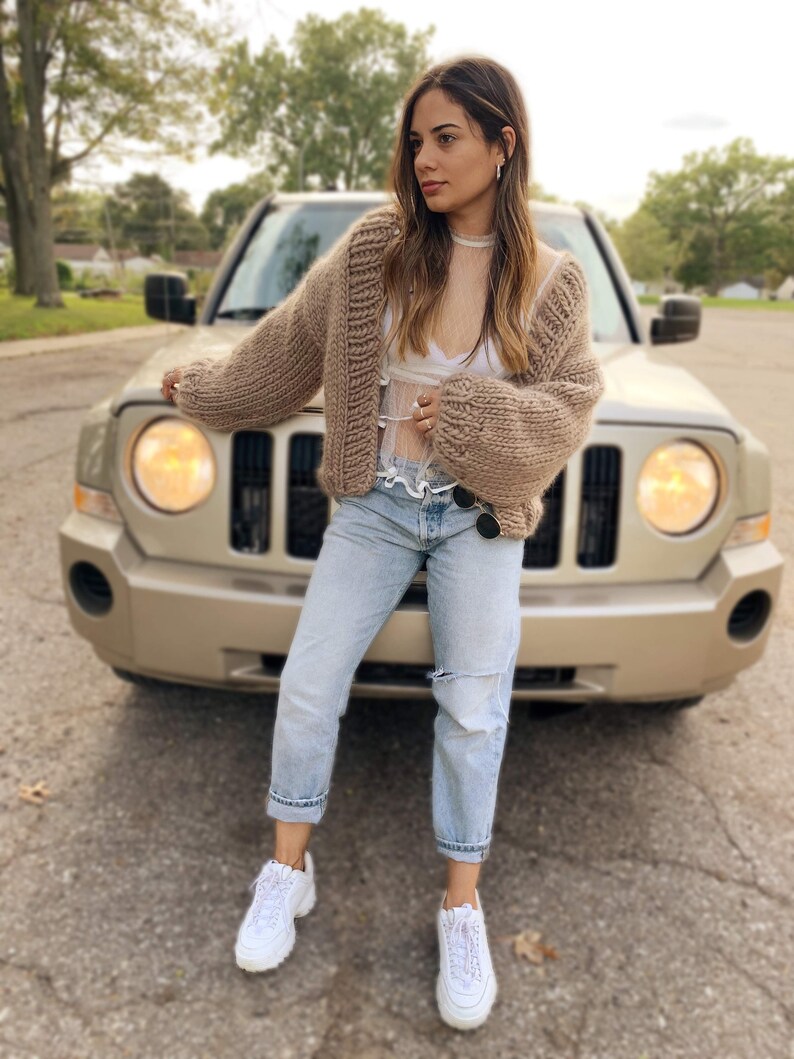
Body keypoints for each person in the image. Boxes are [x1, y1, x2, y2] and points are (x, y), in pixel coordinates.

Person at [161, 55, 605, 1031]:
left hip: (475, 514)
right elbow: (282, 352)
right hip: (373, 501)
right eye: (415, 140)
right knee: (310, 680)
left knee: (472, 710)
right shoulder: (376, 249)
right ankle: (287, 868)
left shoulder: (553, 281)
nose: (424, 158)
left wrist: (473, 414)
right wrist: (197, 392)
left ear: (502, 144)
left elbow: (569, 408)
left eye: (446, 137)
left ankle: (459, 906)